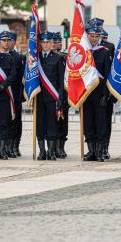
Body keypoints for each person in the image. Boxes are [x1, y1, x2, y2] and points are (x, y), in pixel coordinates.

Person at [82, 26, 112, 162]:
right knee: (88, 123)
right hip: (86, 93)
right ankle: (91, 151)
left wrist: (106, 94)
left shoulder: (104, 52)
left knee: (100, 123)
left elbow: (107, 75)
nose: (94, 39)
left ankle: (100, 151)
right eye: (91, 36)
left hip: (100, 94)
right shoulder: (83, 52)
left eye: (96, 36)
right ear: (87, 36)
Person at [36, 31, 66, 161]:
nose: (46, 45)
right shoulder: (35, 58)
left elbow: (61, 81)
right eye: (44, 42)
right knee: (40, 124)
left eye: (48, 42)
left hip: (52, 97)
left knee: (52, 124)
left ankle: (51, 151)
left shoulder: (58, 58)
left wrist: (61, 98)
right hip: (39, 97)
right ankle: (42, 151)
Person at [6, 31, 23, 158]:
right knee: (5, 122)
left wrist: (20, 97)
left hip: (15, 93)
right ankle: (6, 145)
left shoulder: (18, 57)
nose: (7, 43)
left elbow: (21, 78)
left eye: (10, 40)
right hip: (4, 93)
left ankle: (15, 145)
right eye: (5, 40)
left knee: (16, 122)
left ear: (14, 42)